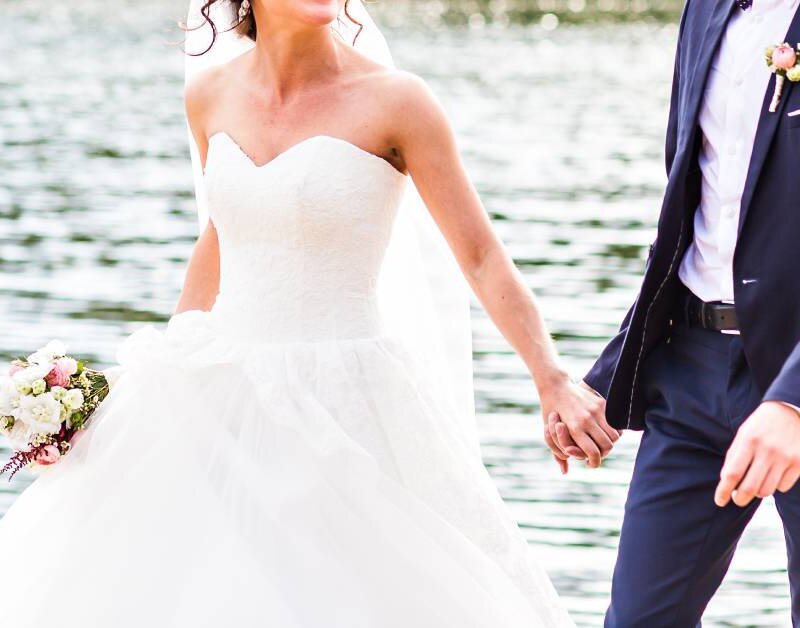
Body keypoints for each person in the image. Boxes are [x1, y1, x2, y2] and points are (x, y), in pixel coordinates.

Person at [0, 1, 613, 625]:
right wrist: (149, 382)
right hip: (219, 385)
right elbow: (219, 242)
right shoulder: (209, 95)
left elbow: (481, 257)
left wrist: (551, 377)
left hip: (350, 400)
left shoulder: (397, 101)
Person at [551, 0, 800, 624]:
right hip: (692, 372)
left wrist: (793, 399)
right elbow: (688, 216)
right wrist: (608, 377)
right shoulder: (706, 10)